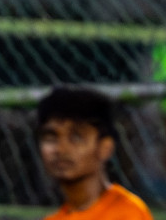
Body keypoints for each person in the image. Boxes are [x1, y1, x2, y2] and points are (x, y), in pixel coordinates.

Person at [35, 87, 152, 219]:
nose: (61, 149)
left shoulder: (126, 213)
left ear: (104, 147)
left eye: (76, 137)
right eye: (51, 138)